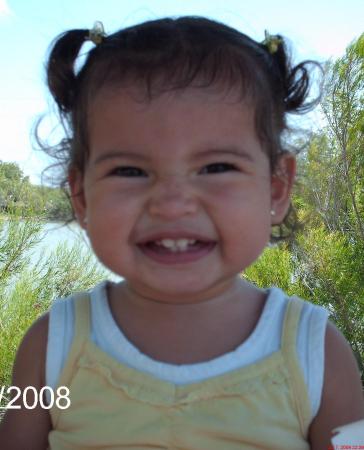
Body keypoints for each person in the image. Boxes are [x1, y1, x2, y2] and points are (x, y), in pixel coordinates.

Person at [0, 16, 363, 450]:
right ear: (80, 195)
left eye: (216, 167)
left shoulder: (316, 354)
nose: (172, 202)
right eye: (130, 171)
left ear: (276, 186)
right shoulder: (51, 349)